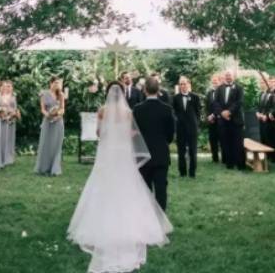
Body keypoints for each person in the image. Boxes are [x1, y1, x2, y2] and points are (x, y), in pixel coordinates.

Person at [68, 83, 172, 273]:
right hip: (123, 154)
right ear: (123, 95)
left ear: (107, 94)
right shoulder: (128, 112)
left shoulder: (102, 110)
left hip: (107, 154)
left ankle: (100, 224)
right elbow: (133, 134)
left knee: (104, 188)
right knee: (127, 188)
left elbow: (99, 133)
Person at [132, 77, 174, 210]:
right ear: (159, 90)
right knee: (161, 189)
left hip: (143, 154)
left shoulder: (137, 109)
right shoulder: (167, 109)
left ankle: (146, 219)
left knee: (145, 189)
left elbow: (134, 133)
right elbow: (170, 134)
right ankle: (161, 221)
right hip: (161, 154)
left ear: (144, 90)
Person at [212, 70, 245, 170]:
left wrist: (229, 112)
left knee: (238, 143)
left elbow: (239, 102)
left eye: (229, 75)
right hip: (224, 121)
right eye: (226, 75)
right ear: (224, 77)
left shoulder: (239, 88)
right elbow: (215, 103)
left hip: (236, 120)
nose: (228, 77)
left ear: (233, 77)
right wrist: (222, 113)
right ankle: (229, 164)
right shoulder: (219, 88)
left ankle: (240, 164)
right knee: (226, 142)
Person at [35, 77, 66, 176]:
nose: (57, 85)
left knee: (56, 145)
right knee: (46, 144)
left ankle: (55, 168)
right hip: (47, 121)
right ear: (51, 83)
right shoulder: (44, 94)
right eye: (55, 83)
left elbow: (62, 109)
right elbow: (42, 109)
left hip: (58, 122)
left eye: (58, 83)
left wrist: (59, 114)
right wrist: (48, 114)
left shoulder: (60, 94)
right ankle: (43, 167)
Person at [171, 77, 200, 178]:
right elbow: (173, 112)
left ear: (189, 84)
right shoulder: (175, 98)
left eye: (184, 83)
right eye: (181, 84)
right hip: (180, 129)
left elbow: (198, 113)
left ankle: (192, 173)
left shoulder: (195, 97)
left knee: (193, 151)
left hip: (192, 128)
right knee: (181, 151)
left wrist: (196, 125)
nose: (183, 86)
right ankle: (182, 172)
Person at [0, 80, 20, 167]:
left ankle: (9, 157)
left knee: (10, 138)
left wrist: (13, 114)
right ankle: (2, 157)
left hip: (12, 120)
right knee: (3, 138)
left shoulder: (13, 97)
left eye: (10, 86)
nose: (8, 88)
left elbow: (15, 108)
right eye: (7, 86)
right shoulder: (1, 96)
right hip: (4, 119)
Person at [204, 75, 221, 165]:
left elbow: (221, 106)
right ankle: (215, 158)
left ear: (219, 81)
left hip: (220, 119)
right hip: (211, 120)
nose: (214, 83)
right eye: (213, 81)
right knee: (212, 139)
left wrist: (214, 115)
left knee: (222, 139)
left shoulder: (222, 92)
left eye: (216, 81)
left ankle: (225, 157)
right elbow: (207, 106)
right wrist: (208, 116)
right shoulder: (209, 93)